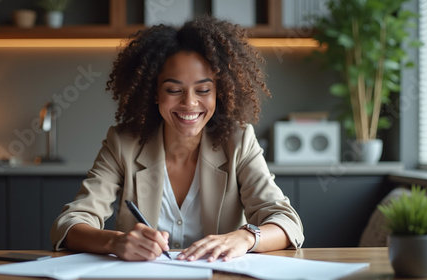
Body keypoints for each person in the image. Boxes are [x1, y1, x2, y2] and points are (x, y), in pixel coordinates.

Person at [50, 15, 304, 262]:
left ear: (220, 92)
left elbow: (287, 223)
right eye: (173, 90)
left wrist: (245, 238)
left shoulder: (238, 142)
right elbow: (69, 224)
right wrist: (115, 242)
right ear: (154, 93)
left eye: (203, 90)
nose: (189, 103)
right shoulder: (123, 143)